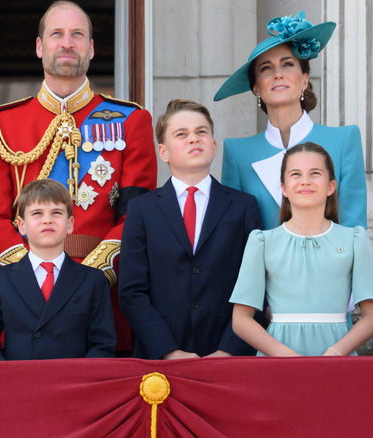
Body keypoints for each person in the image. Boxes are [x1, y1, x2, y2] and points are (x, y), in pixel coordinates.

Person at [0, 1, 156, 354]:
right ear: (39, 46)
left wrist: (86, 281)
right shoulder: (1, 124)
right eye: (57, 34)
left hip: (103, 298)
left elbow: (135, 218)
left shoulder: (131, 121)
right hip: (25, 304)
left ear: (92, 48)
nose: (67, 43)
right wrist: (32, 276)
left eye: (77, 35)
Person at [118, 99, 262, 360]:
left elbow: (256, 286)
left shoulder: (243, 206)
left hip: (227, 354)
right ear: (163, 152)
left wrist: (227, 352)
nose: (194, 139)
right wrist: (169, 352)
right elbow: (132, 292)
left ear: (214, 146)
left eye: (201, 132)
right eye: (181, 134)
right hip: (160, 356)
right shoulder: (142, 210)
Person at [214, 11, 366, 230]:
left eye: (287, 64)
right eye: (266, 68)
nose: (278, 74)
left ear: (304, 80)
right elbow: (234, 233)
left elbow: (355, 230)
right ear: (256, 88)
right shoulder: (237, 153)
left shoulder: (344, 140)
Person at [230, 143, 373, 356]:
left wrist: (335, 353)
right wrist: (285, 356)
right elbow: (240, 320)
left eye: (315, 173)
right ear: (284, 188)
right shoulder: (262, 242)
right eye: (296, 174)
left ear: (331, 186)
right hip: (277, 360)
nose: (305, 180)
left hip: (338, 359)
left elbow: (370, 316)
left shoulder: (354, 240)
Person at [0, 179, 116, 360]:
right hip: (19, 377)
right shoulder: (0, 280)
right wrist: (7, 375)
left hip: (73, 377)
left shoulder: (92, 280)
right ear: (22, 225)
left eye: (56, 213)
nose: (47, 220)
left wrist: (79, 376)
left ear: (70, 224)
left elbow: (102, 344)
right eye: (37, 213)